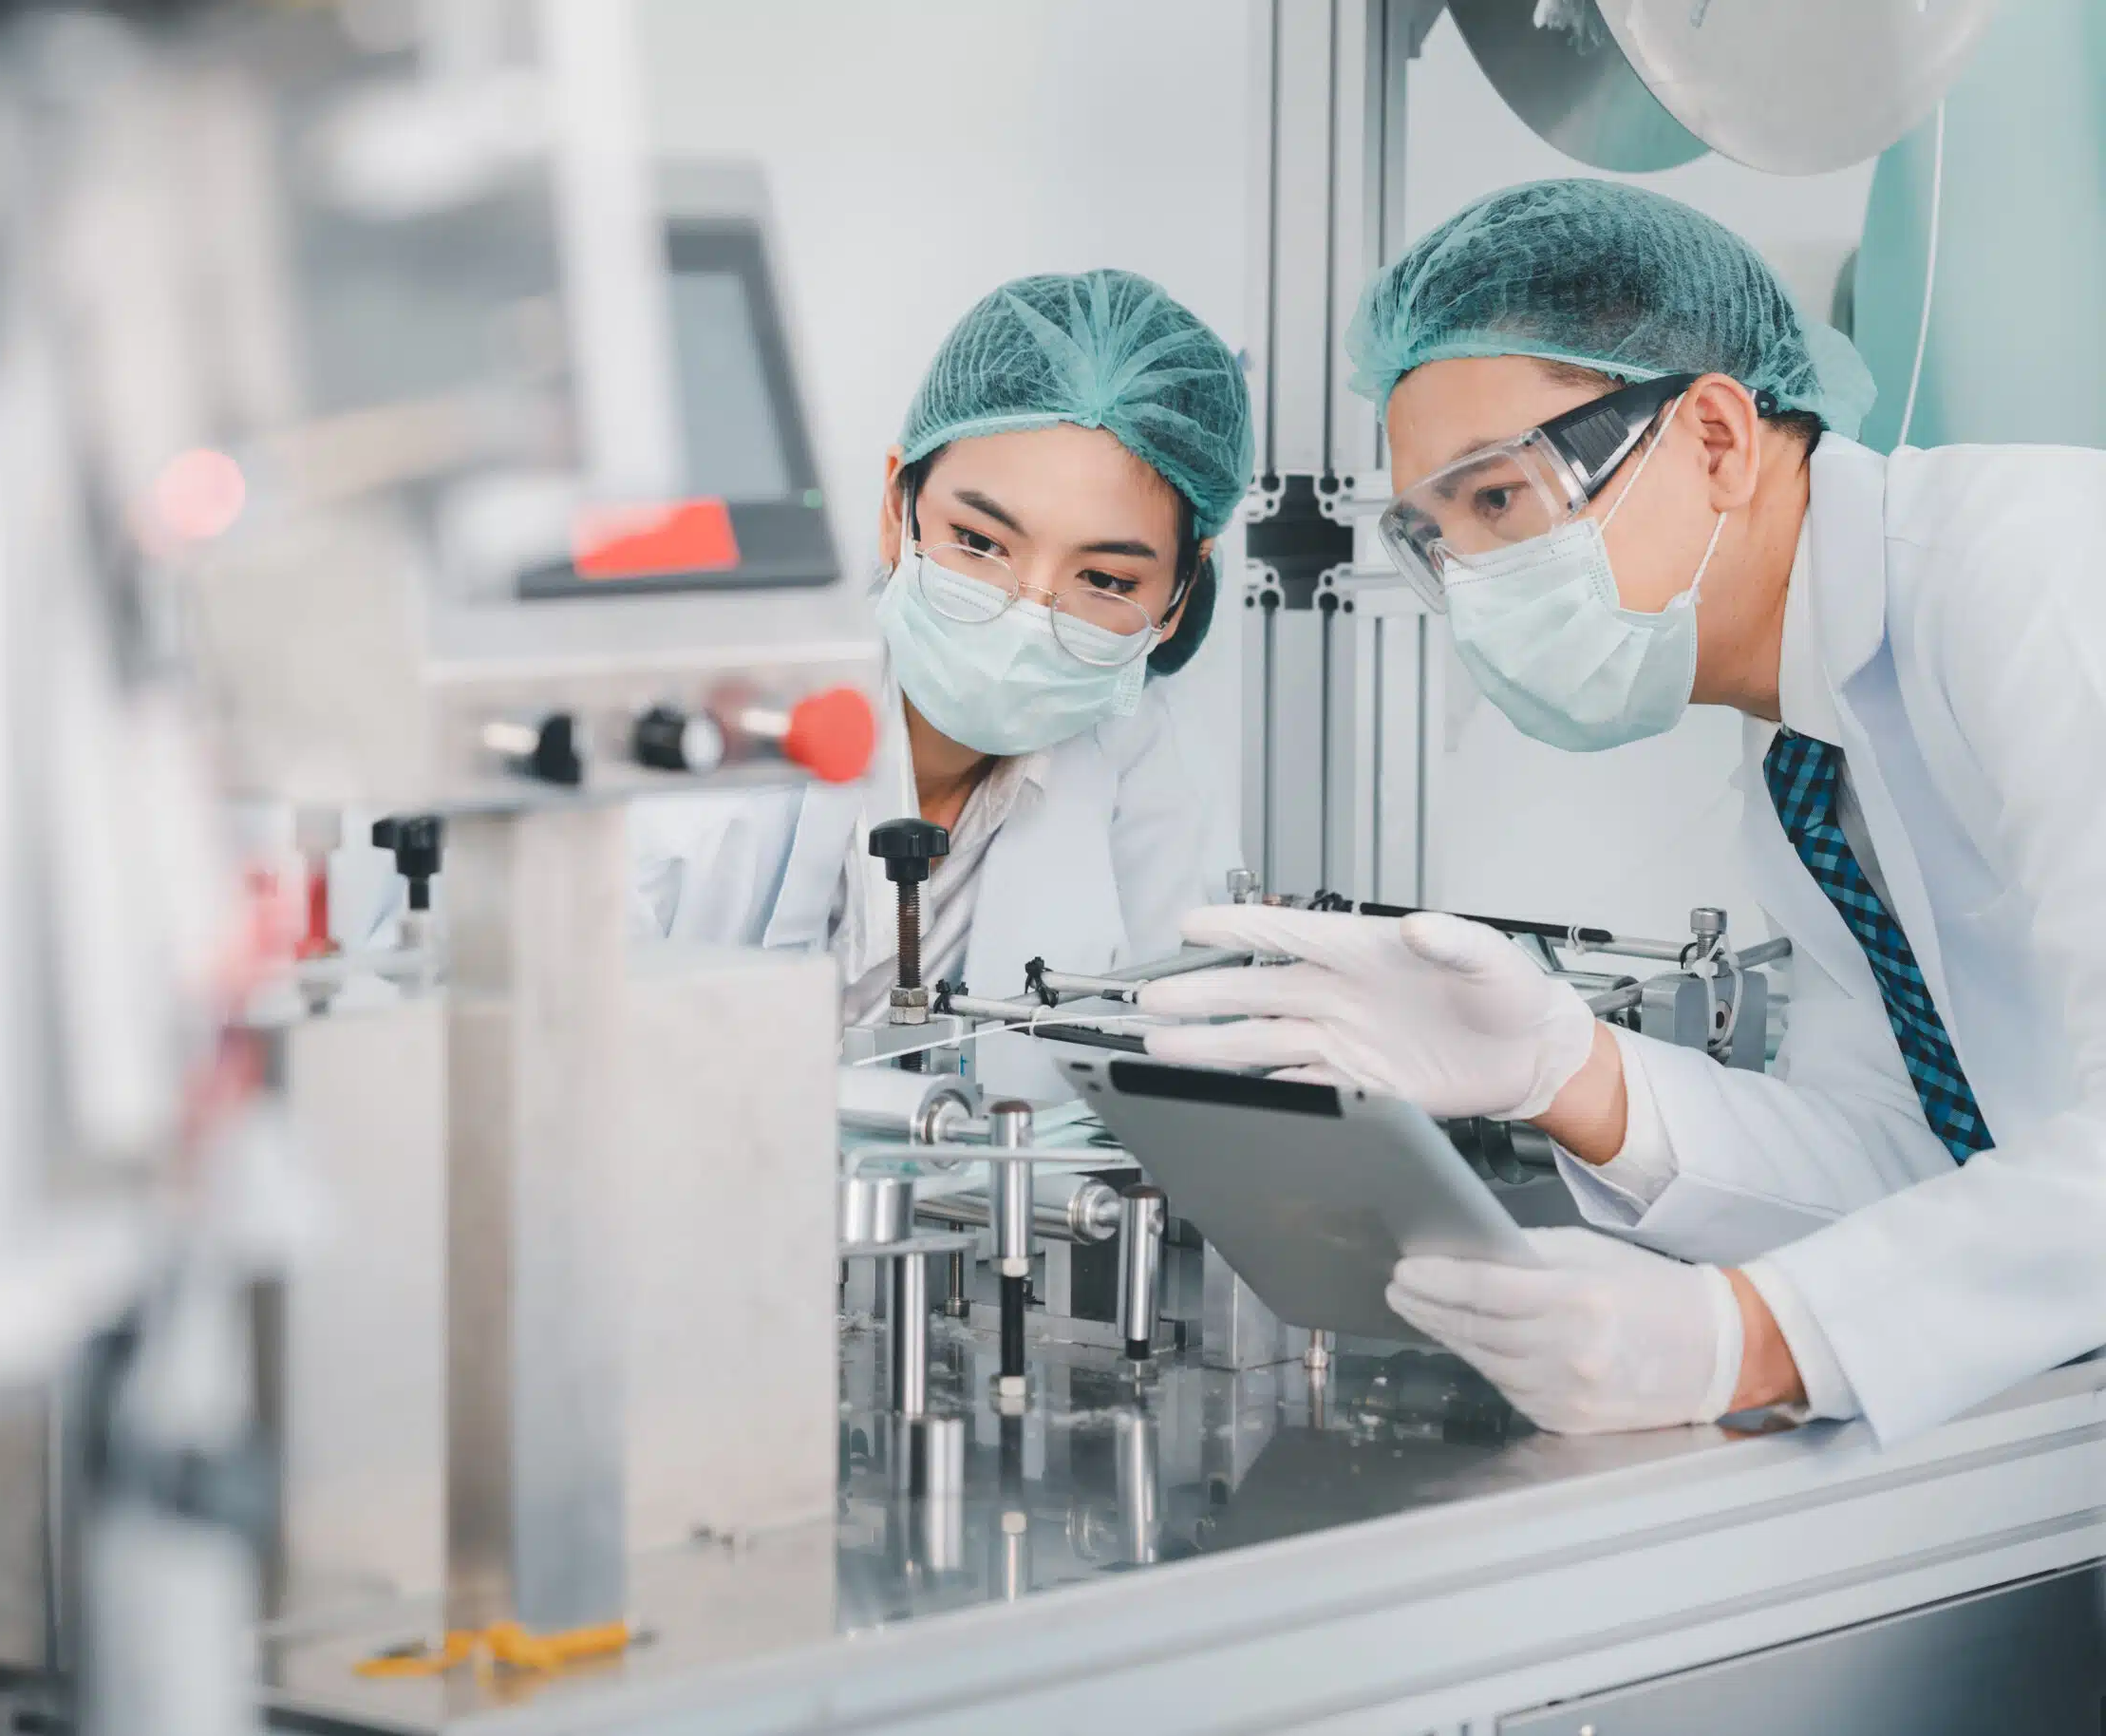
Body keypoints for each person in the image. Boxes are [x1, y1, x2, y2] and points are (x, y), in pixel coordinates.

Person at [1143, 178, 2106, 1444]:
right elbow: (1906, 1166)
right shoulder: (1809, 767)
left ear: (1716, 437)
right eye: (1436, 538)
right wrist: (1566, 1072)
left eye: (1500, 499)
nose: (1477, 583)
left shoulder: (2036, 573)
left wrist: (1747, 1342)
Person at [633, 270, 1248, 1078]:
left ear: (1177, 598)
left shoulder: (1150, 770)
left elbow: (1170, 1083)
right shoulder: (705, 761)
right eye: (981, 543)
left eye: (1105, 580)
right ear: (899, 507)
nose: (1029, 616)